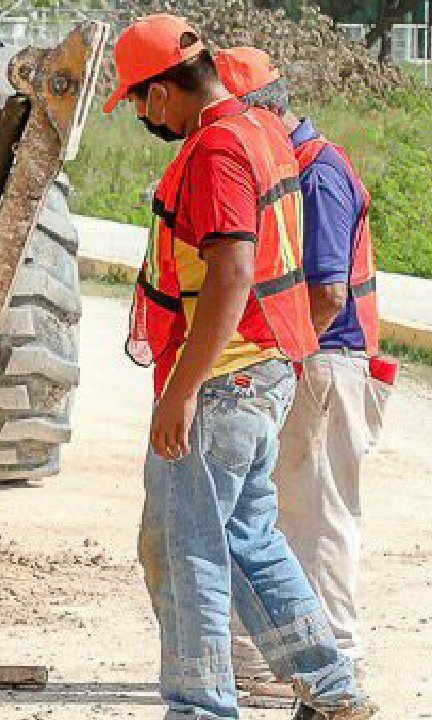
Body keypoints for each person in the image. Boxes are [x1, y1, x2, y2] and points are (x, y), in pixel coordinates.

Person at [103, 14, 377, 720]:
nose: (139, 116)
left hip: (221, 382)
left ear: (161, 92)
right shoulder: (261, 131)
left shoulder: (217, 150)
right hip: (261, 376)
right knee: (248, 539)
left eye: (136, 101)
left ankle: (199, 708)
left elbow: (230, 269)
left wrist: (182, 390)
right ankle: (331, 685)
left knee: (184, 551)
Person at [214, 47, 391, 701]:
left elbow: (326, 293)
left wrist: (281, 361)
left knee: (318, 518)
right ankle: (297, 662)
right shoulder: (296, 166)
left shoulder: (316, 175)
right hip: (313, 360)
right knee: (286, 516)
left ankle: (338, 660)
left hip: (324, 361)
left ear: (259, 114)